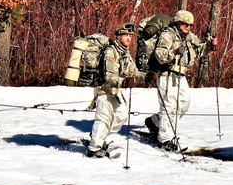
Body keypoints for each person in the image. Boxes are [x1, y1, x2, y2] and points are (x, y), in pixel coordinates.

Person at [144, 9, 217, 151]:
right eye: (185, 24)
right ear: (178, 23)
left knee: (184, 104)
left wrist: (210, 45)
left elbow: (198, 51)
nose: (188, 27)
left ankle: (155, 122)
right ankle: (165, 139)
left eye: (190, 25)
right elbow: (160, 55)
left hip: (181, 75)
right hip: (167, 74)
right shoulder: (168, 35)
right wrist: (175, 52)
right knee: (170, 106)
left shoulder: (188, 37)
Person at [86, 23, 142, 158]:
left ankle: (100, 138)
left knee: (121, 115)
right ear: (118, 36)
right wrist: (125, 81)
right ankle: (93, 149)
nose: (128, 38)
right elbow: (108, 76)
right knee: (103, 118)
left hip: (116, 91)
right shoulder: (110, 52)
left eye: (130, 36)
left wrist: (148, 76)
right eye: (125, 35)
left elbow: (134, 72)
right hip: (104, 90)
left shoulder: (125, 53)